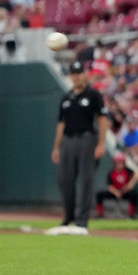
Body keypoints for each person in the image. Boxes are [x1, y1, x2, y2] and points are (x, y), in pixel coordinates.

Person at [49, 61, 109, 235]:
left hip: (87, 139)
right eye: (73, 73)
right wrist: (56, 147)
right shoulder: (66, 98)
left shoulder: (93, 95)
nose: (76, 76)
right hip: (68, 141)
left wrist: (102, 143)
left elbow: (103, 120)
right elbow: (61, 124)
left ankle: (82, 220)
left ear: (84, 74)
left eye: (78, 73)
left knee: (85, 180)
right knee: (65, 180)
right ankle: (68, 217)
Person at [96, 152, 138, 219]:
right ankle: (100, 214)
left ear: (124, 163)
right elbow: (110, 186)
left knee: (134, 194)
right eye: (117, 162)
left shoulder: (127, 171)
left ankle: (131, 215)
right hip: (115, 192)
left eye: (120, 162)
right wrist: (116, 192)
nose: (119, 164)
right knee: (99, 194)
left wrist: (130, 184)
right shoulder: (112, 172)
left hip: (125, 191)